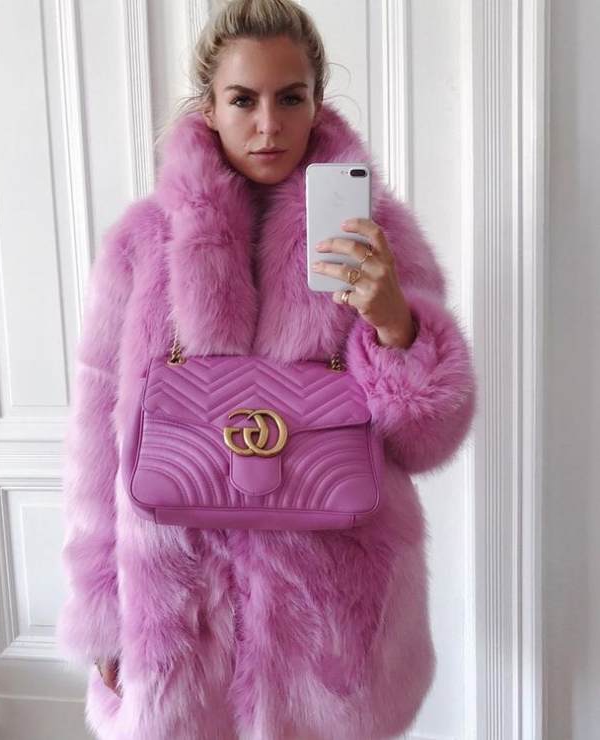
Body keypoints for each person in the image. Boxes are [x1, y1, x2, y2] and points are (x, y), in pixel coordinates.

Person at [56, 1, 477, 738]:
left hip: (335, 623)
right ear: (210, 107)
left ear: (318, 101)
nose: (268, 125)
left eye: (290, 98)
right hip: (182, 615)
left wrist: (393, 322)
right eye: (243, 99)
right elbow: (97, 437)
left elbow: (426, 440)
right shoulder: (141, 246)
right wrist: (101, 613)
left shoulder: (376, 237)